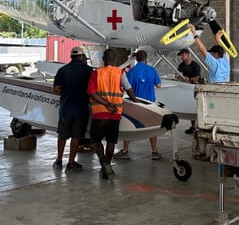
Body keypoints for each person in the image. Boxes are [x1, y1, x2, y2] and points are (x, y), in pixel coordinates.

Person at [87, 48, 136, 179]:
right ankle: (107, 164)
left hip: (99, 113)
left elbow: (91, 92)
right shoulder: (120, 73)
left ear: (103, 59)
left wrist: (106, 104)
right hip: (115, 114)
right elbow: (129, 90)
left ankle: (103, 163)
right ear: (115, 60)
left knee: (96, 140)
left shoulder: (96, 73)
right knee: (111, 141)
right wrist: (136, 100)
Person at [188, 24, 230, 160]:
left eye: (213, 53)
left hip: (213, 95)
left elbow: (201, 49)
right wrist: (218, 38)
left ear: (215, 55)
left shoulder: (215, 62)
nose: (211, 54)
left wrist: (194, 33)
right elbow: (225, 49)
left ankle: (204, 151)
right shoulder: (225, 61)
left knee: (207, 123)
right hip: (224, 94)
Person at [115, 50, 162, 160]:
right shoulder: (152, 70)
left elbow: (127, 87)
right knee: (152, 127)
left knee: (129, 126)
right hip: (150, 103)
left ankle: (125, 150)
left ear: (136, 59)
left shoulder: (132, 71)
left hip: (136, 103)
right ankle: (154, 151)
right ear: (146, 59)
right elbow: (159, 85)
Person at [52, 46, 93, 171]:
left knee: (62, 135)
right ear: (81, 57)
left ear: (71, 56)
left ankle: (59, 160)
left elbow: (56, 89)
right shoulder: (88, 70)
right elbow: (92, 90)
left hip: (65, 108)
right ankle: (71, 162)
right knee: (76, 136)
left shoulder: (62, 70)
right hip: (80, 109)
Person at [175, 48, 201, 135]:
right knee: (188, 106)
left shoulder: (195, 65)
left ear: (188, 55)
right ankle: (193, 126)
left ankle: (199, 126)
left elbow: (197, 78)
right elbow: (177, 74)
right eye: (181, 56)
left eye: (183, 55)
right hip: (184, 88)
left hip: (193, 88)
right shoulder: (181, 65)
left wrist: (189, 79)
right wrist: (178, 77)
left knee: (195, 106)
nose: (181, 57)